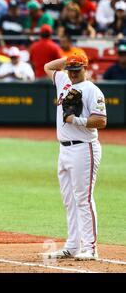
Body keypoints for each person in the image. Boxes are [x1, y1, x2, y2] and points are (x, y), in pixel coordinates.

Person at [43, 54, 107, 261]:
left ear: (85, 68)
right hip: (64, 149)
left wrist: (76, 120)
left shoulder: (92, 90)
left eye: (77, 69)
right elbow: (47, 67)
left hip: (84, 149)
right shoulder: (63, 80)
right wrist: (68, 59)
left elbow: (100, 121)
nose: (72, 72)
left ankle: (90, 247)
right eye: (70, 69)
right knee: (69, 200)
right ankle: (72, 245)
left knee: (83, 199)